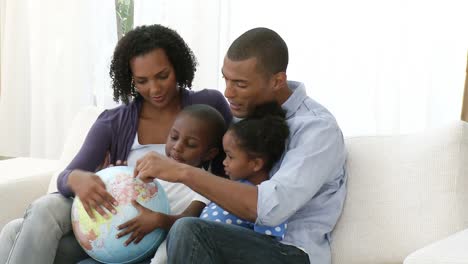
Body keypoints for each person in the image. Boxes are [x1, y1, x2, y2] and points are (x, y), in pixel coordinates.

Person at [0, 24, 232, 264]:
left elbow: (237, 159)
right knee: (40, 211)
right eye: (142, 81)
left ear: (177, 66)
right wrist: (76, 178)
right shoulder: (113, 122)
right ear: (129, 79)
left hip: (150, 234)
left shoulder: (207, 106)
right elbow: (67, 177)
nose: (154, 89)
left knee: (13, 233)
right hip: (106, 226)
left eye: (162, 76)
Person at [134, 27, 347, 264]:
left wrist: (182, 173)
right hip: (233, 240)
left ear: (277, 81)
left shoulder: (317, 130)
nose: (228, 92)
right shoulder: (243, 117)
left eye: (240, 84)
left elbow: (270, 209)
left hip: (290, 252)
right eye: (225, 78)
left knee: (190, 231)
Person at [78, 104, 227, 264]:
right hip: (122, 244)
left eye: (190, 144)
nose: (177, 147)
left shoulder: (204, 184)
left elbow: (188, 221)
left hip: (154, 250)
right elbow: (129, 191)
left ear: (209, 154)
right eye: (174, 137)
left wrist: (158, 220)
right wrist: (111, 178)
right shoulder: (155, 165)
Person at [200, 102, 288, 240]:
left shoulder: (265, 203)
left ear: (256, 164)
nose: (224, 162)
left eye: (230, 156)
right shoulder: (232, 187)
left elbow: (266, 246)